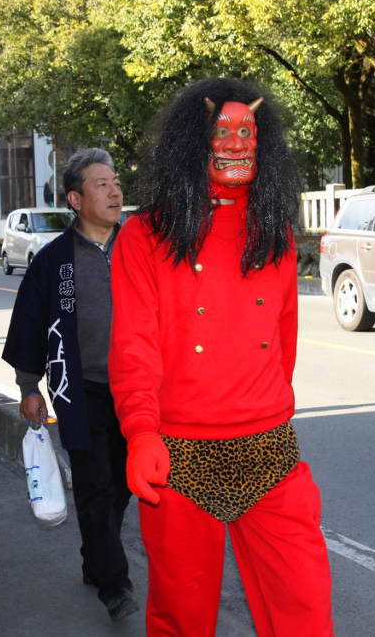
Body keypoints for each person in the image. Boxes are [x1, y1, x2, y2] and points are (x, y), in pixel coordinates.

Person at [109, 78, 335, 636]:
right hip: (179, 456)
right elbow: (133, 345)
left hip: (269, 452)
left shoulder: (273, 234)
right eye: (224, 131)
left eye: (249, 132)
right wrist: (141, 432)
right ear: (193, 140)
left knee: (304, 608)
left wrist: (263, 409)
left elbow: (284, 347)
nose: (237, 144)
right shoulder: (144, 236)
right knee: (181, 618)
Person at [3, 148, 138, 622]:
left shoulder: (139, 247)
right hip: (79, 386)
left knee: (123, 483)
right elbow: (31, 323)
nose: (114, 190)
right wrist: (28, 387)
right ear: (76, 199)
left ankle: (95, 558)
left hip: (136, 386)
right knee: (94, 483)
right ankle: (115, 584)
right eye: (101, 184)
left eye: (116, 181)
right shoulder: (54, 259)